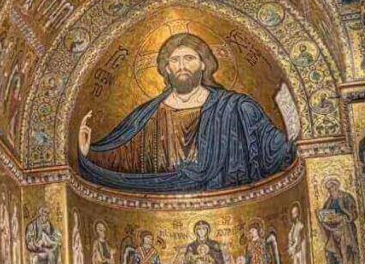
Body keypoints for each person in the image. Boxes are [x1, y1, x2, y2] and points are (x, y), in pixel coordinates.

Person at [77, 33, 295, 192]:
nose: (182, 65)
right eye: (175, 60)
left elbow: (273, 149)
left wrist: (293, 136)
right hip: (159, 204)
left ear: (203, 64)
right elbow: (122, 155)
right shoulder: (148, 114)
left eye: (189, 58)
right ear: (167, 69)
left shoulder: (236, 107)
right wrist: (89, 151)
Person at [317, 178, 361, 264]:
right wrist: (324, 217)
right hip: (334, 230)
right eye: (328, 189)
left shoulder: (346, 197)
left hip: (346, 229)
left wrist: (345, 216)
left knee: (346, 248)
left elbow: (354, 213)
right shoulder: (328, 202)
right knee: (330, 248)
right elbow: (325, 215)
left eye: (332, 187)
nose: (330, 190)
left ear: (336, 186)